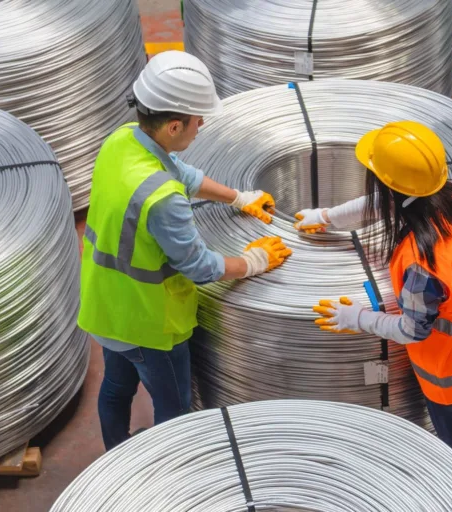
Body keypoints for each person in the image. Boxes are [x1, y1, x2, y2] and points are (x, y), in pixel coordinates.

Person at [78, 51, 293, 451]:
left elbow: (180, 171)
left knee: (115, 387)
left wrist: (238, 197)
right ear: (175, 125)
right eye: (197, 120)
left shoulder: (122, 140)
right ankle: (170, 475)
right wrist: (254, 261)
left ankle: (115, 454)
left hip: (104, 305)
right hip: (149, 323)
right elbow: (199, 266)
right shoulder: (162, 199)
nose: (202, 125)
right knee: (174, 408)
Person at [301, 121, 452, 503]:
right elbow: (387, 203)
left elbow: (413, 329)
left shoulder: (421, 260)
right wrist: (328, 217)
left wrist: (358, 319)